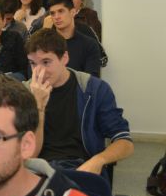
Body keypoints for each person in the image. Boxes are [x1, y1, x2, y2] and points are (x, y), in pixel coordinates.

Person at [25, 28, 133, 176]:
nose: (39, 72)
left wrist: (99, 160)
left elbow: (124, 141)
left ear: (64, 58)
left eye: (46, 62)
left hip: (81, 167)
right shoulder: (23, 93)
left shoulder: (94, 89)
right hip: (36, 170)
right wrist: (38, 106)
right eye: (33, 63)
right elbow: (29, 156)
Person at [46, 0, 101, 77]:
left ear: (73, 12)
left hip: (80, 89)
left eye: (61, 11)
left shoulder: (89, 45)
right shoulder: (45, 44)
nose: (56, 17)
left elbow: (91, 82)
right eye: (52, 13)